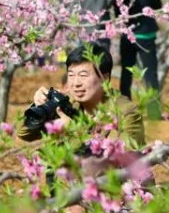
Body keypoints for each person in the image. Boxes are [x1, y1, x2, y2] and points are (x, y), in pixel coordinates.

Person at [17, 42, 145, 146]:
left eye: (83, 75)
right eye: (71, 75)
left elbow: (121, 161)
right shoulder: (67, 105)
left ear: (104, 78)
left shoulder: (125, 112)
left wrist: (73, 131)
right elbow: (25, 135)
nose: (76, 83)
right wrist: (39, 107)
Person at [115, 0, 163, 120]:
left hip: (128, 34)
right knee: (151, 75)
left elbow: (117, 10)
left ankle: (125, 112)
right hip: (147, 35)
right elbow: (157, 4)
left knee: (126, 73)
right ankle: (154, 113)